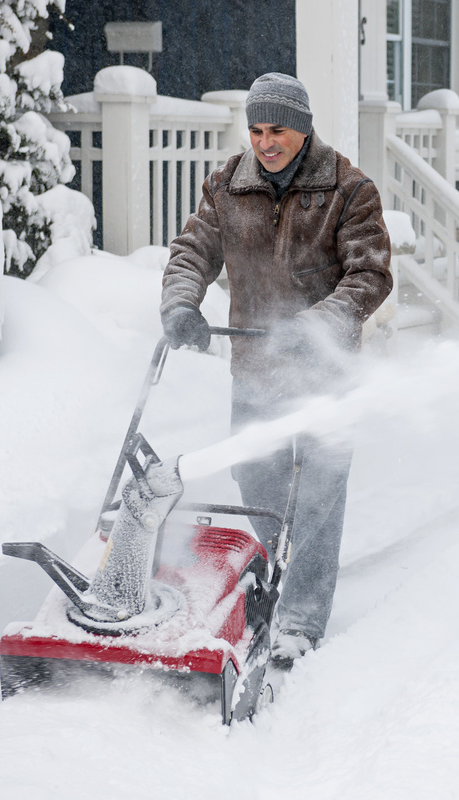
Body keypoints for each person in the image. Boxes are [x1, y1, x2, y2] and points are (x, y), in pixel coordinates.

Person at [160, 72, 392, 663]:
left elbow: (370, 274)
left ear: (304, 127)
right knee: (257, 482)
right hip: (256, 368)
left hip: (326, 377)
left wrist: (319, 325)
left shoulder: (347, 188)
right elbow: (192, 251)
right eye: (257, 130)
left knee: (317, 494)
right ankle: (280, 573)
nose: (265, 143)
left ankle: (301, 621)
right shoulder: (227, 186)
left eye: (278, 130)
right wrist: (182, 303)